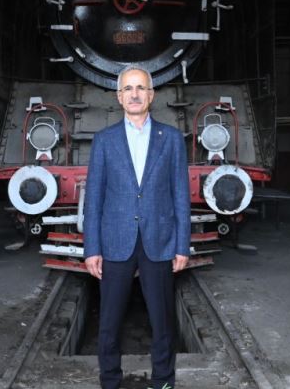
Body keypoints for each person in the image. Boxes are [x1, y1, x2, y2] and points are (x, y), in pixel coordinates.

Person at [83, 66, 191, 389]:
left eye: (141, 88)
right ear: (119, 97)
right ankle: (110, 382)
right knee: (109, 323)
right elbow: (94, 200)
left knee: (162, 323)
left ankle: (163, 383)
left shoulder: (171, 139)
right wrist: (91, 249)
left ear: (151, 95)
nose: (134, 94)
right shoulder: (104, 141)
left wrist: (182, 245)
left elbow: (181, 196)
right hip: (115, 241)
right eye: (128, 89)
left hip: (159, 240)